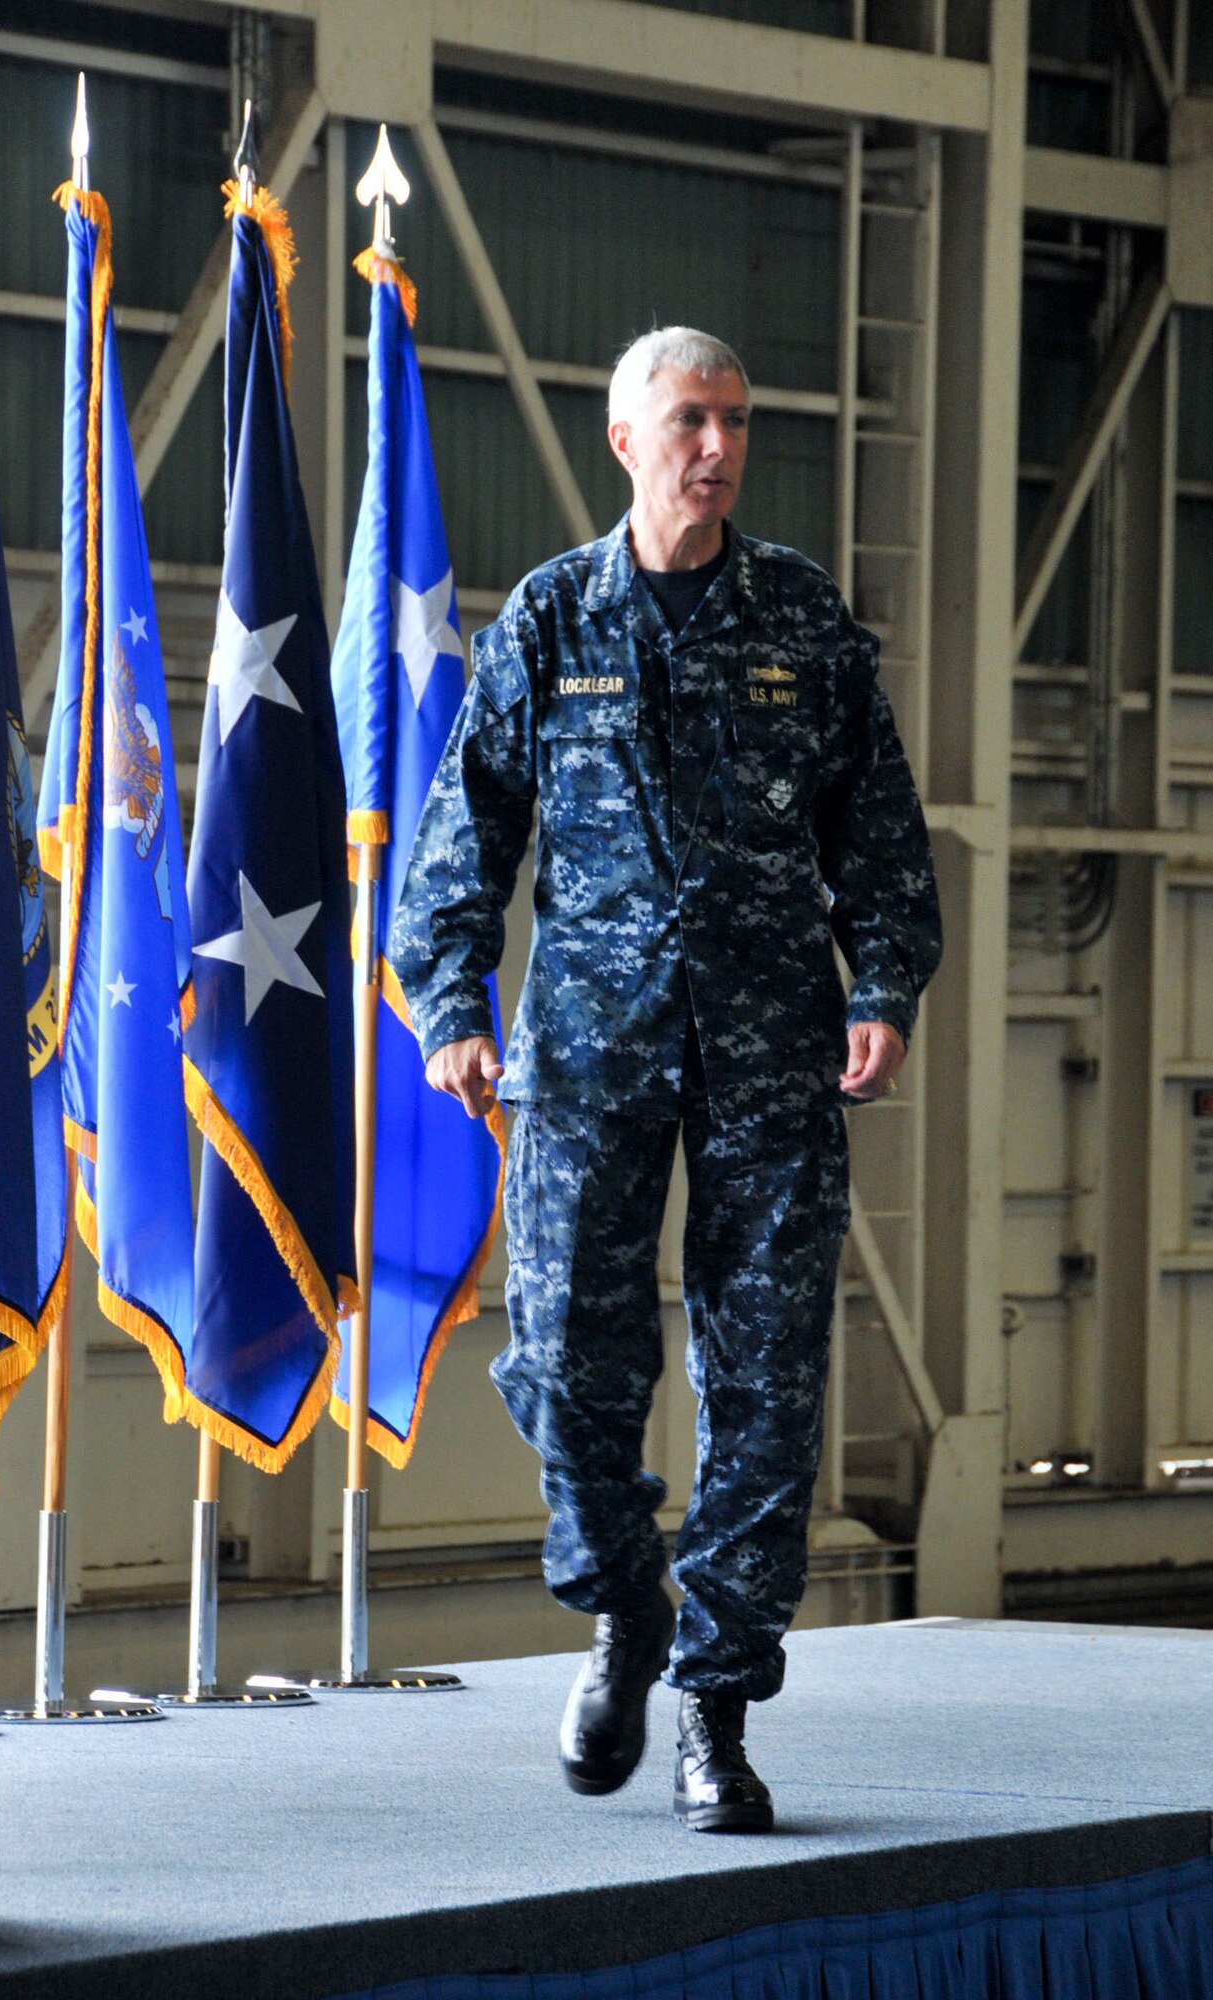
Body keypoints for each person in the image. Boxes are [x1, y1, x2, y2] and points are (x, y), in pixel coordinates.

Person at [392, 327, 941, 1833]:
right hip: (590, 1049)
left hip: (774, 1053)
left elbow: (881, 836)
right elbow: (464, 832)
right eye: (691, 419)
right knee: (565, 1355)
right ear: (627, 440)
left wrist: (884, 988)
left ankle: (715, 1705)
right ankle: (625, 1598)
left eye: (737, 421)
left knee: (767, 1382)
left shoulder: (804, 619)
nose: (718, 446)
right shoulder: (552, 617)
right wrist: (451, 1003)